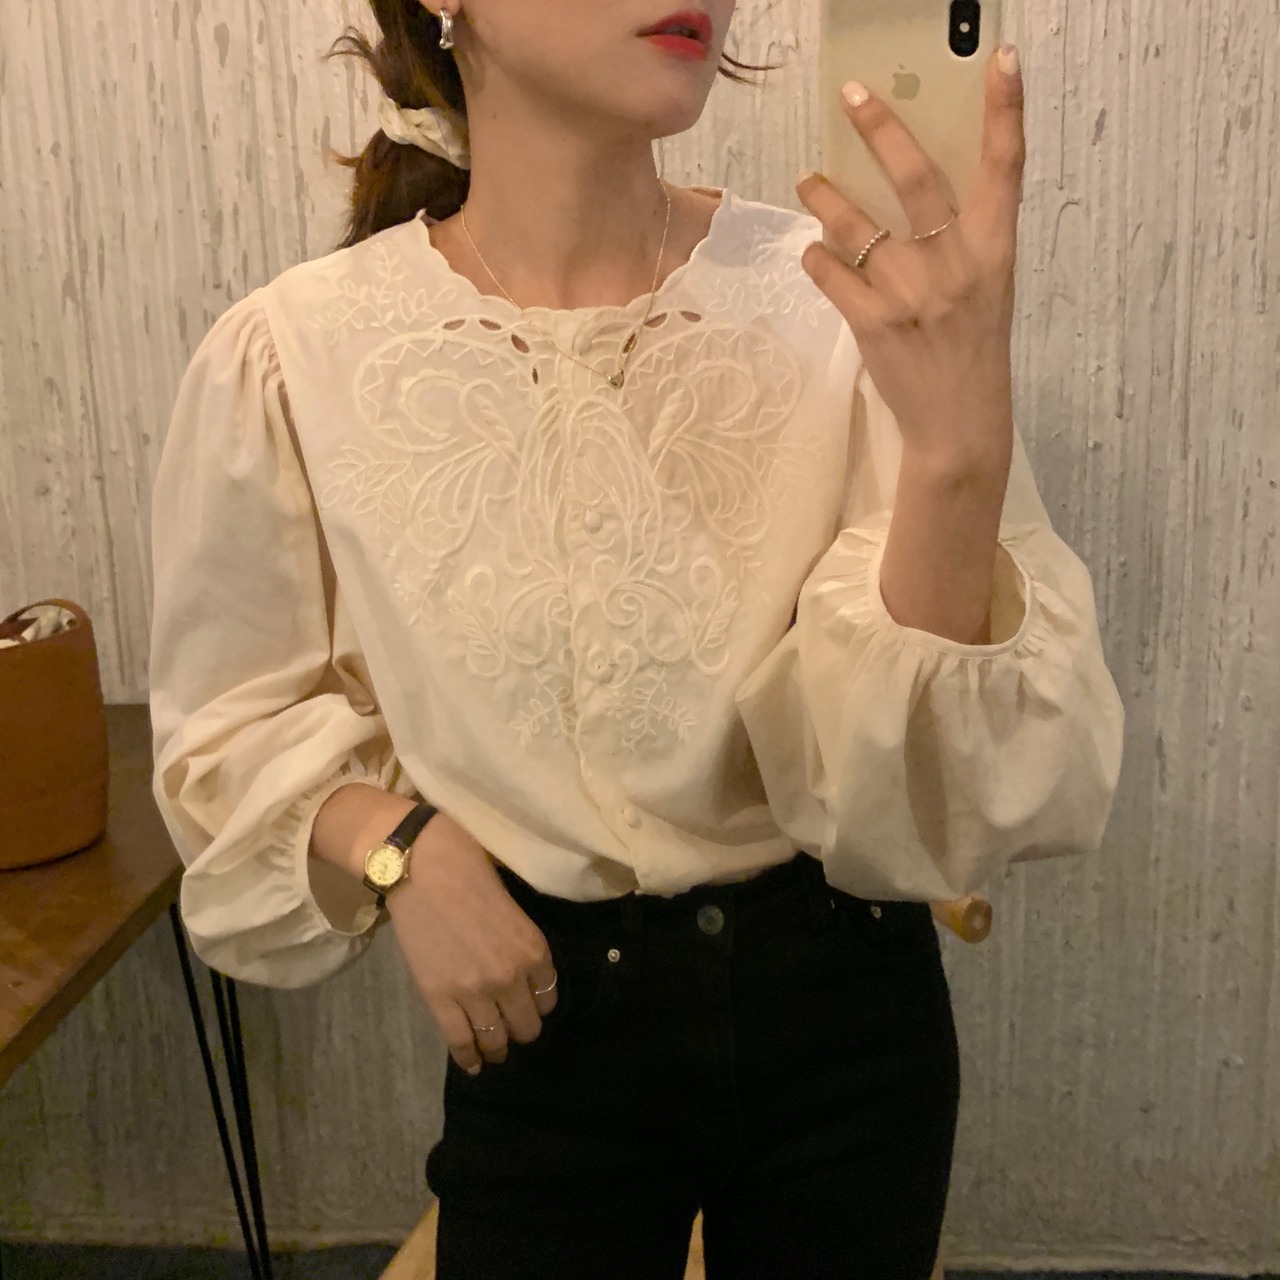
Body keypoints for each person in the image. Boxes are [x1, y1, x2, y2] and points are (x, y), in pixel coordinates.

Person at [148, 2, 1126, 1276]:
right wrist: (396, 846)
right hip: (547, 1034)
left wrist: (955, 451)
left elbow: (923, 793)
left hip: (844, 1016)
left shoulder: (833, 297)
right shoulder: (297, 354)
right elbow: (225, 728)